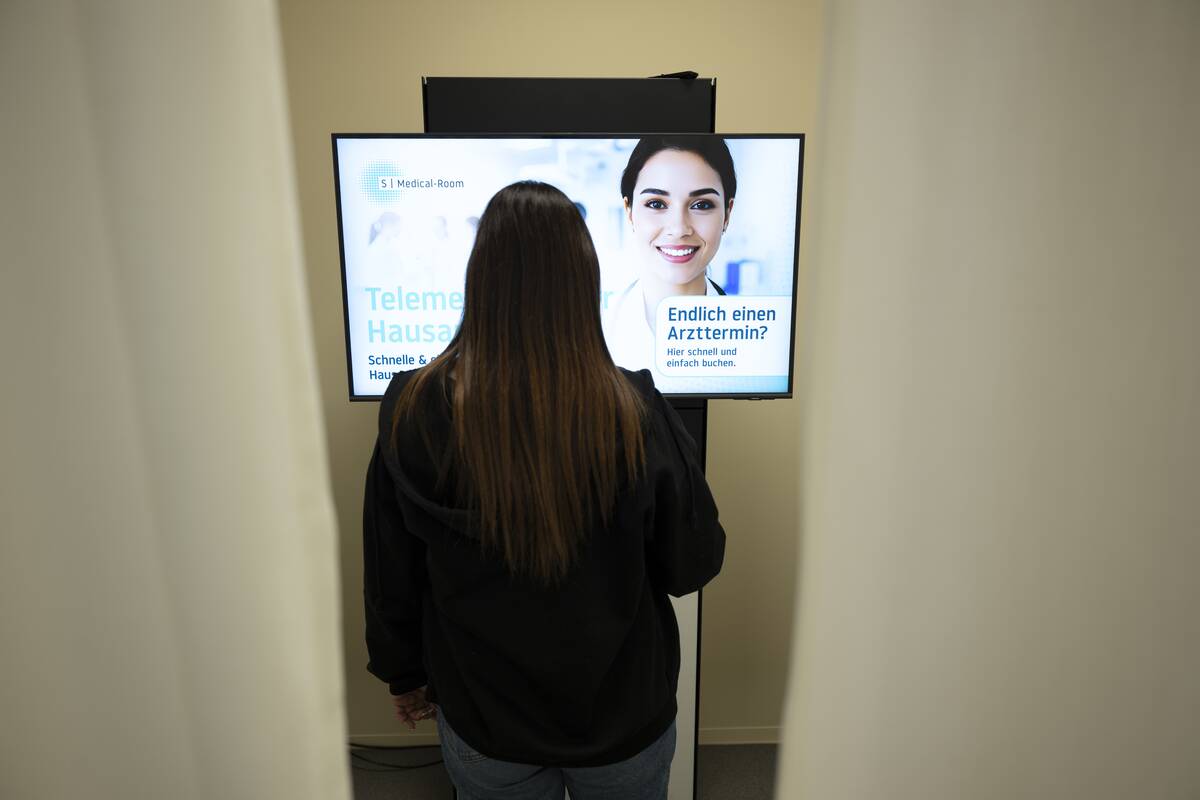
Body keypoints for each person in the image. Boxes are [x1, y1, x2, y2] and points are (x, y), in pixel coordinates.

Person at [363, 180, 726, 800]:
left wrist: (403, 675)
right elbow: (689, 563)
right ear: (582, 282)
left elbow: (390, 566)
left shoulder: (413, 405)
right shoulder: (636, 408)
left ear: (481, 278)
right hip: (621, 717)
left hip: (485, 717)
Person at [603, 136, 737, 382]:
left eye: (701, 205)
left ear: (727, 214)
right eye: (656, 203)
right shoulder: (598, 331)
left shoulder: (753, 342)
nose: (678, 228)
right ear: (629, 212)